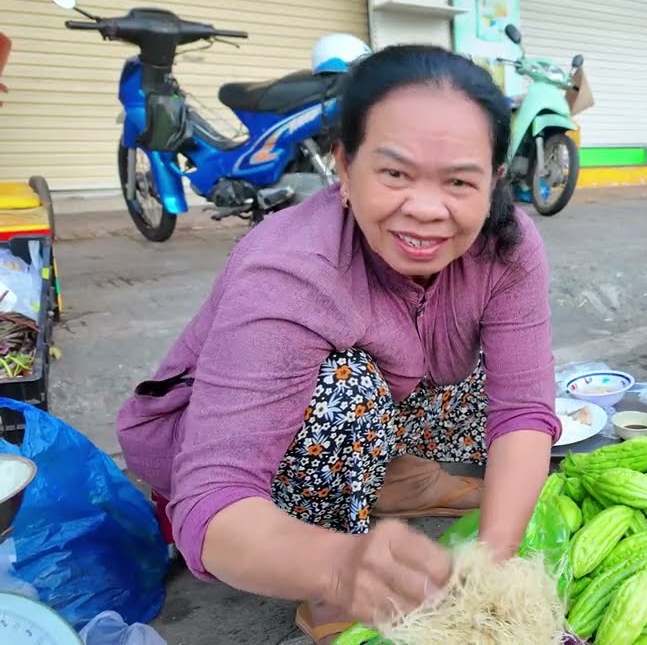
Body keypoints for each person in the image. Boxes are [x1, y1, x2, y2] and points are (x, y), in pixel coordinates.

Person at [115, 44, 561, 644]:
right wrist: (338, 565)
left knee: (497, 373)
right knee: (344, 391)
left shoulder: (508, 244)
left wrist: (494, 566)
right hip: (238, 437)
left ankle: (393, 475)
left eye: (459, 181)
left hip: (398, 390)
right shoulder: (290, 268)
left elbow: (522, 408)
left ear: (494, 181)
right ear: (344, 168)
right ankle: (327, 585)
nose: (426, 210)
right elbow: (214, 500)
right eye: (395, 173)